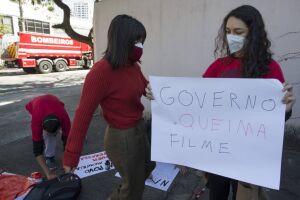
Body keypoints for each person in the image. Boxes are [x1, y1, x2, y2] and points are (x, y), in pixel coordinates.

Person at [202, 5, 296, 200]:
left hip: (249, 155)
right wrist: (161, 96)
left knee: (244, 196)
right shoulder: (219, 66)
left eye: (238, 32)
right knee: (216, 193)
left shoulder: (270, 69)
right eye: (227, 32)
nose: (231, 37)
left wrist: (286, 110)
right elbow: (195, 100)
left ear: (253, 34)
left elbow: (277, 117)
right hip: (218, 151)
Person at [63, 14, 156, 200]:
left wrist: (151, 91)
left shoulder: (132, 66)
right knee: (133, 189)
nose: (140, 46)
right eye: (137, 41)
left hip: (138, 130)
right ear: (123, 40)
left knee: (146, 170)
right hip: (122, 137)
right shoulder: (101, 72)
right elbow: (83, 115)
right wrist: (71, 155)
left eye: (142, 41)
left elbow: (143, 86)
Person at [26, 94, 71, 180]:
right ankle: (50, 157)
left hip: (54, 102)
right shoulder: (36, 122)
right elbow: (37, 151)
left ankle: (56, 135)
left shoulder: (63, 116)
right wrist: (48, 173)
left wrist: (67, 160)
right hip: (36, 105)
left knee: (69, 133)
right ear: (42, 126)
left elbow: (68, 140)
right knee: (49, 137)